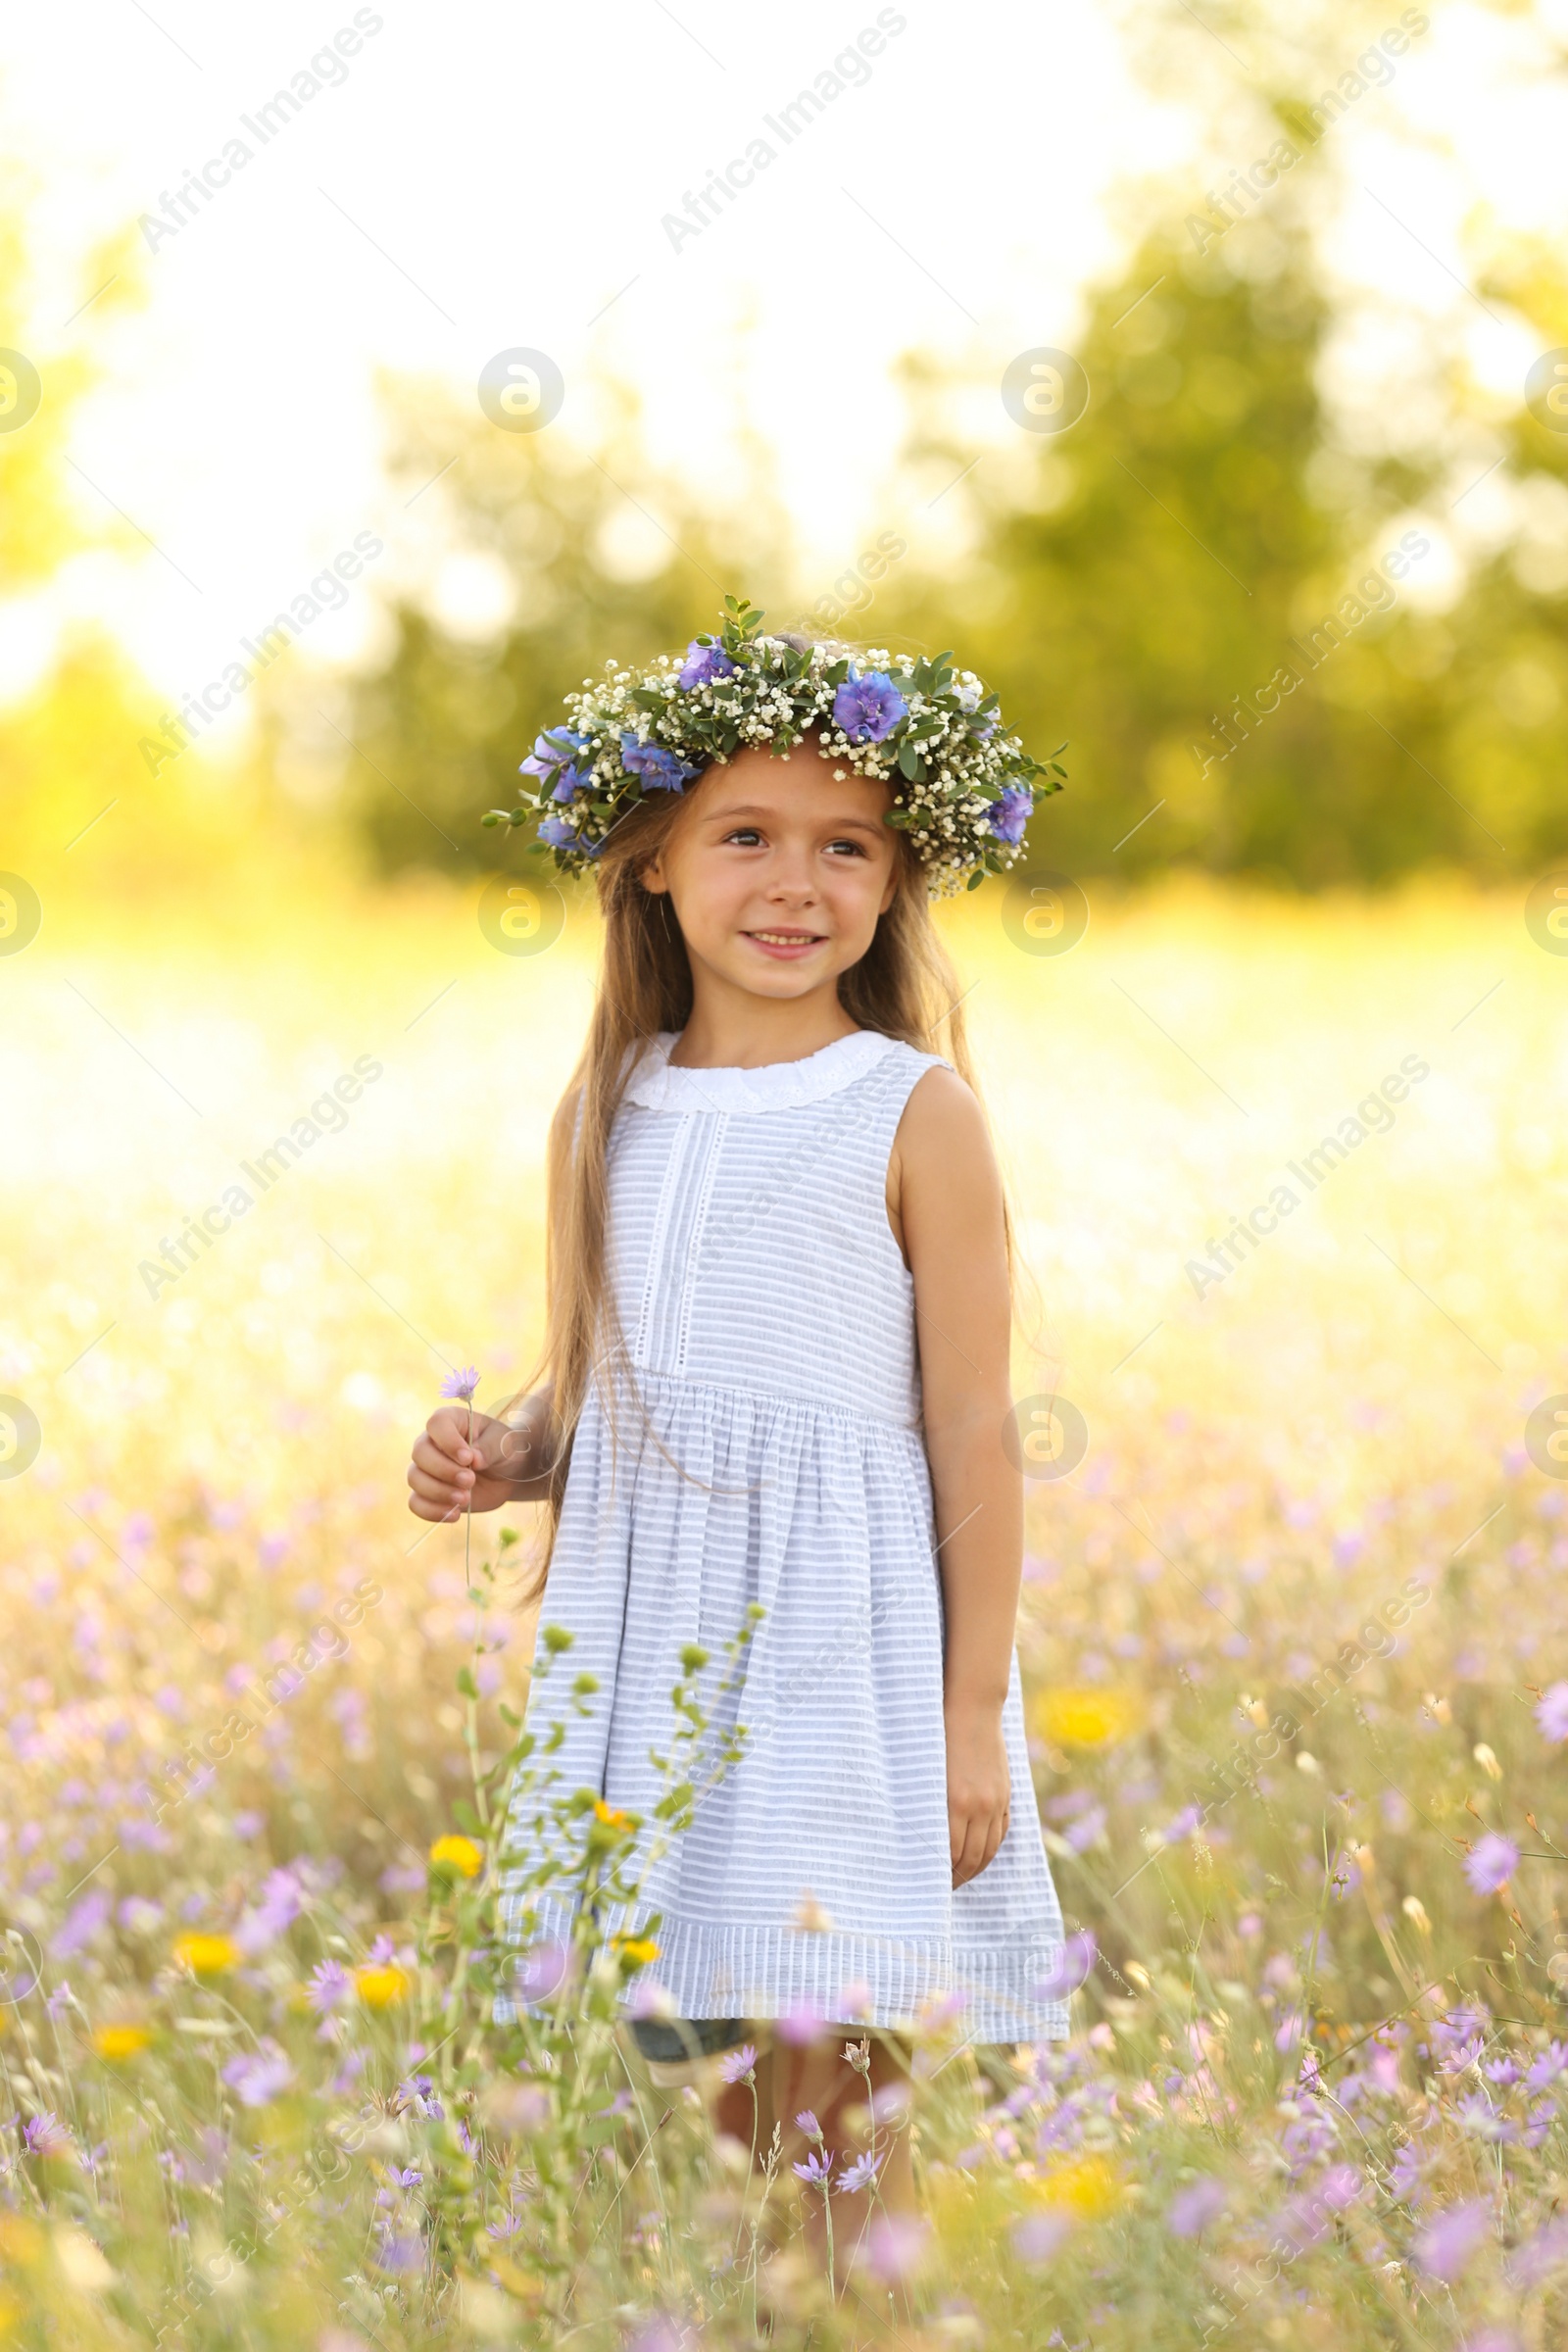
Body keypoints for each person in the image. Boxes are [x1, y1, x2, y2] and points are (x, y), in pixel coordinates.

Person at [405, 601, 1072, 2288]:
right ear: (650, 864)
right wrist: (513, 1450)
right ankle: (798, 2315)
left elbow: (969, 1425)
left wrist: (968, 1711)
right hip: (660, 1651)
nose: (797, 883)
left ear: (898, 880)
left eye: (847, 847)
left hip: (845, 1657)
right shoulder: (609, 1100)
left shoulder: (912, 1110)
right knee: (723, 2081)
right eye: (747, 837)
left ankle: (873, 2316)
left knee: (840, 2087)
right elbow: (621, 1377)